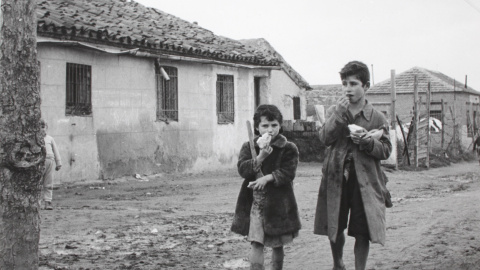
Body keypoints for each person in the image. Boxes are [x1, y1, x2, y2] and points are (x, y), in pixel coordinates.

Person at [313, 61, 392, 270]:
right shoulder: (335, 110)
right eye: (345, 83)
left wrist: (368, 142)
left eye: (354, 83)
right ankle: (338, 262)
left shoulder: (377, 117)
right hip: (336, 177)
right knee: (335, 224)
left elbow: (386, 150)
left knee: (362, 229)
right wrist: (338, 115)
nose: (348, 89)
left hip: (365, 181)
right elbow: (324, 138)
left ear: (366, 86)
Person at [231, 104, 301, 270]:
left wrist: (268, 179)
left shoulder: (288, 148)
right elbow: (243, 169)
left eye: (274, 125)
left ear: (280, 126)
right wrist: (260, 157)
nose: (270, 130)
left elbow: (288, 172)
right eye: (265, 126)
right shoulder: (249, 146)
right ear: (257, 127)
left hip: (279, 203)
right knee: (257, 243)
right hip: (255, 204)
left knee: (278, 244)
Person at [40, 119, 62, 210]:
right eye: (39, 128)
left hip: (49, 162)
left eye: (43, 127)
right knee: (37, 183)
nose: (42, 129)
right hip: (39, 163)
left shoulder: (50, 139)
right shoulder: (35, 140)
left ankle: (48, 202)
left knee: (48, 183)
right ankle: (37, 203)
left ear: (46, 128)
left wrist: (58, 163)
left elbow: (55, 151)